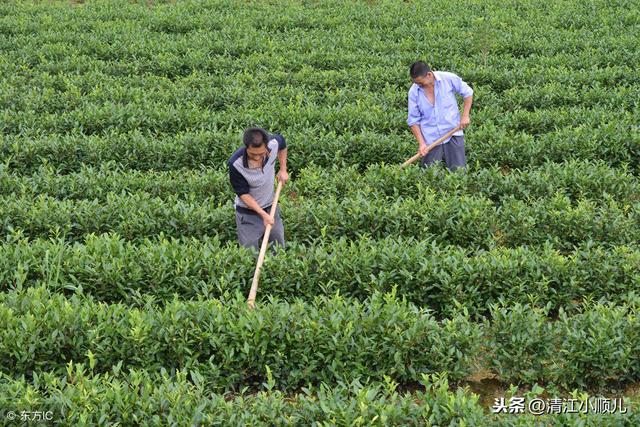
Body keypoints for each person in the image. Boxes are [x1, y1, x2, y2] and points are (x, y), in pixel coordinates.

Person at [228, 127, 289, 250]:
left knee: (278, 248)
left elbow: (282, 143)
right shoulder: (236, 164)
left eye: (261, 154)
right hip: (248, 213)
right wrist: (262, 214)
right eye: (253, 154)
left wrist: (283, 169)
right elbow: (243, 193)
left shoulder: (273, 144)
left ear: (267, 146)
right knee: (249, 253)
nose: (257, 157)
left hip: (271, 207)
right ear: (246, 147)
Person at [407, 61, 474, 170]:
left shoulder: (448, 78)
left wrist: (465, 115)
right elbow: (413, 121)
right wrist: (422, 144)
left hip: (453, 132)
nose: (418, 85)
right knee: (429, 176)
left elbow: (468, 92)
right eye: (416, 83)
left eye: (420, 83)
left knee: (458, 172)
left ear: (429, 75)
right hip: (430, 138)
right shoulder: (414, 92)